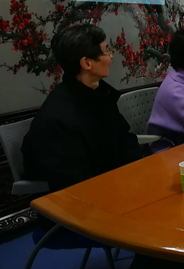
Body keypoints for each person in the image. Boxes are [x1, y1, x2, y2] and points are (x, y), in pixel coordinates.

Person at [22, 24, 142, 192]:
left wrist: (141, 174)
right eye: (106, 51)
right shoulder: (58, 118)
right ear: (86, 63)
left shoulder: (101, 95)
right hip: (89, 196)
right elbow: (74, 183)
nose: (111, 56)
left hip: (117, 184)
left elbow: (125, 141)